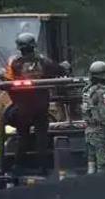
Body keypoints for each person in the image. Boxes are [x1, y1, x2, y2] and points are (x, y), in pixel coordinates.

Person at [4, 32, 65, 173]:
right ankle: (42, 167)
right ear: (34, 45)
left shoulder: (15, 63)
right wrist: (63, 66)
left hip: (23, 107)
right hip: (41, 106)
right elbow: (58, 70)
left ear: (19, 47)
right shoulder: (44, 61)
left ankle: (18, 166)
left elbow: (8, 80)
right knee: (41, 137)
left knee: (23, 137)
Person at [82, 61, 105, 173]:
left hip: (90, 131)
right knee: (104, 163)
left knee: (92, 162)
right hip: (101, 132)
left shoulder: (87, 90)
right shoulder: (101, 92)